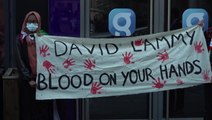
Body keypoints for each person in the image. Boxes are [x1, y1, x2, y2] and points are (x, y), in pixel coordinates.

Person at [16, 11, 52, 120]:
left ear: (39, 23)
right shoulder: (20, 40)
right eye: (30, 22)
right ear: (25, 22)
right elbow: (20, 61)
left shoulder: (45, 38)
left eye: (35, 22)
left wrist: (42, 78)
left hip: (42, 81)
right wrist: (28, 79)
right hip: (27, 82)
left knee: (43, 110)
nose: (32, 24)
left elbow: (49, 58)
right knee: (28, 110)